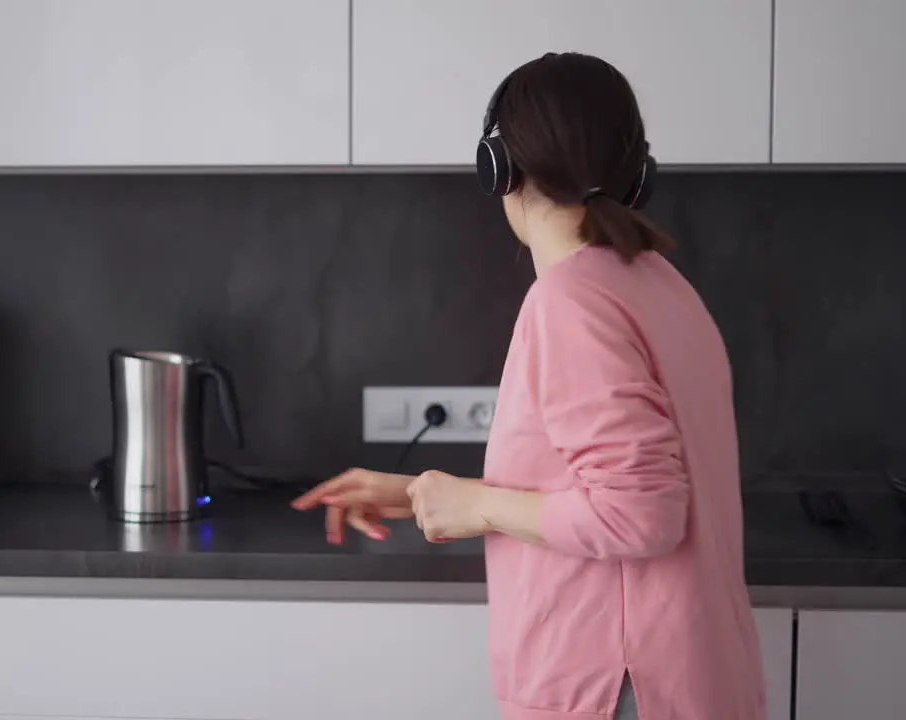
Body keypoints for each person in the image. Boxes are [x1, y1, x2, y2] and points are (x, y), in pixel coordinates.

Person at [292, 52, 765, 720]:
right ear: (637, 174)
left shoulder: (571, 302)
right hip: (685, 674)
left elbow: (640, 513)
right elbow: (607, 483)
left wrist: (478, 506)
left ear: (500, 166)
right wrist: (425, 496)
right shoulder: (659, 285)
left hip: (617, 687)